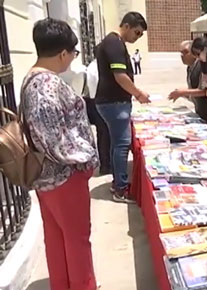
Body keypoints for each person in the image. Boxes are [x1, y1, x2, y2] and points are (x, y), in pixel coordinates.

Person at [22, 18, 99, 290]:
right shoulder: (46, 85)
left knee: (57, 238)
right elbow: (53, 139)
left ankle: (64, 284)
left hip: (48, 178)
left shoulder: (32, 79)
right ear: (63, 53)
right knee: (77, 239)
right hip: (64, 177)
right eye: (73, 53)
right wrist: (85, 159)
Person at [95, 11, 150, 203]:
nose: (137, 37)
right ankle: (121, 188)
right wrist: (138, 93)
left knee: (116, 143)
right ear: (126, 26)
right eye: (137, 33)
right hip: (114, 102)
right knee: (121, 144)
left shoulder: (114, 43)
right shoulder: (114, 43)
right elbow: (120, 76)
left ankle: (117, 181)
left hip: (111, 102)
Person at [84, 45, 111, 175]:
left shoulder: (92, 66)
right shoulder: (97, 68)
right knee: (104, 135)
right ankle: (106, 164)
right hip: (99, 102)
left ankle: (105, 163)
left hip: (96, 101)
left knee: (103, 135)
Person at [178, 40, 207, 123]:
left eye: (185, 52)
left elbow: (204, 91)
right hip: (199, 110)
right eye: (181, 53)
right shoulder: (190, 68)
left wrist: (183, 92)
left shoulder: (201, 66)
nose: (182, 56)